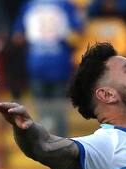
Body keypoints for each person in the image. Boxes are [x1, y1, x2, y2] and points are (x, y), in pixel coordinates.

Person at [12, 0, 83, 136]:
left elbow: (18, 36)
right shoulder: (64, 5)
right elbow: (77, 29)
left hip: (38, 63)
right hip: (58, 64)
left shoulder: (29, 5)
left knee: (44, 113)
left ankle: (45, 145)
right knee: (58, 111)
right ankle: (61, 146)